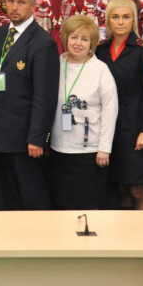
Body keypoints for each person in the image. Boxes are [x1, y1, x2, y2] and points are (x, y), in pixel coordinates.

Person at [0, 0, 60, 210]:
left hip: (25, 137)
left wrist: (37, 138)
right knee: (9, 199)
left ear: (33, 7)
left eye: (21, 2)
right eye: (10, 1)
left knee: (31, 198)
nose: (14, 7)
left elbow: (45, 96)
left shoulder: (43, 43)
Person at [95, 0, 143, 210]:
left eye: (126, 17)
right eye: (115, 17)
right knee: (120, 189)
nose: (121, 22)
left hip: (135, 129)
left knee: (137, 190)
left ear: (134, 20)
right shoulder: (100, 49)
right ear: (108, 20)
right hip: (108, 129)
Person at [50, 15, 118, 210]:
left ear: (92, 44)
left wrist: (104, 148)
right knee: (61, 206)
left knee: (89, 206)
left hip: (90, 153)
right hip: (58, 150)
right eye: (74, 37)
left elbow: (110, 111)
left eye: (84, 39)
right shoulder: (55, 65)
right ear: (65, 38)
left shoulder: (100, 70)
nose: (78, 43)